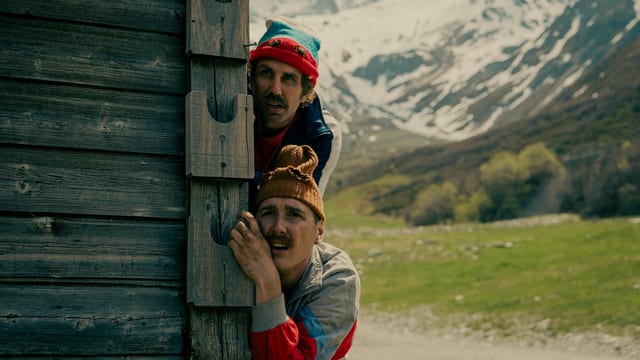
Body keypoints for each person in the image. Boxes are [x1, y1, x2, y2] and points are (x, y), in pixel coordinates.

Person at [228, 145, 359, 360]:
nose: (279, 227)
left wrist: (267, 280)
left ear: (319, 232)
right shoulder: (235, 257)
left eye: (294, 215)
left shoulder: (338, 278)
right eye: (268, 212)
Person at [249, 16, 342, 200]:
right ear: (251, 79)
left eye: (288, 79)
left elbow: (296, 205)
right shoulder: (231, 106)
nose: (275, 89)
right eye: (266, 73)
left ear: (305, 92)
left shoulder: (321, 134)